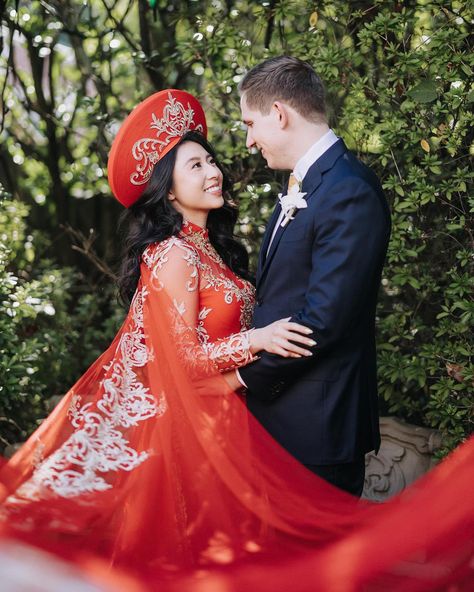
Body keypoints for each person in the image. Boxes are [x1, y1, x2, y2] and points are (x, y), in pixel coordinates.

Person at [0, 89, 472, 592]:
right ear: (170, 191)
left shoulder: (211, 251)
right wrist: (260, 339)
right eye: (194, 167)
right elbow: (181, 357)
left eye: (209, 160)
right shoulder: (173, 254)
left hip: (235, 424)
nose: (213, 172)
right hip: (192, 433)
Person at [224, 56, 392, 497]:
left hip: (317, 428)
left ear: (278, 114)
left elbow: (323, 320)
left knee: (314, 564)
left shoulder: (348, 190)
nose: (248, 141)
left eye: (250, 124)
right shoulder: (305, 187)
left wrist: (240, 379)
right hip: (280, 421)